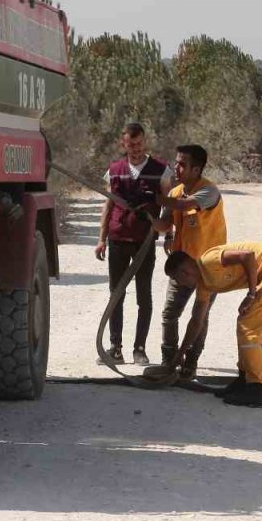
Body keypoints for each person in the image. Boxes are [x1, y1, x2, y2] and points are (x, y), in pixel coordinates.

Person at [158, 242, 262, 407]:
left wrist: (251, 294)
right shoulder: (204, 285)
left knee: (249, 326)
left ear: (186, 270)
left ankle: (257, 388)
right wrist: (179, 356)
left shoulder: (209, 261)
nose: (180, 284)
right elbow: (196, 322)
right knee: (245, 323)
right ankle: (244, 380)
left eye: (177, 278)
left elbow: (247, 256)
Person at [94, 123, 174, 365]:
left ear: (145, 142)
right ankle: (115, 347)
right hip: (117, 238)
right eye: (131, 144)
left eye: (139, 144)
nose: (135, 148)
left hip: (145, 240)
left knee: (143, 296)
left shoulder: (161, 170)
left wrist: (169, 233)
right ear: (123, 143)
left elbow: (169, 204)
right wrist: (101, 239)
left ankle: (139, 348)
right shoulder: (115, 170)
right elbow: (108, 205)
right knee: (116, 294)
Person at [150, 144, 226, 380]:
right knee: (169, 314)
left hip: (207, 268)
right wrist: (148, 214)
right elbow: (164, 225)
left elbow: (184, 206)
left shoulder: (209, 192)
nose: (177, 167)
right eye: (176, 162)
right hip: (181, 266)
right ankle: (169, 359)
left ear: (197, 168)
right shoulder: (174, 193)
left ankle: (190, 362)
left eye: (183, 164)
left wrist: (155, 197)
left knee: (199, 317)